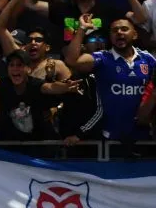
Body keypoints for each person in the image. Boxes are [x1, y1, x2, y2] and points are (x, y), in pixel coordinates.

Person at [65, 14, 156, 142]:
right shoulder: (102, 58)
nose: (119, 32)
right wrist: (82, 29)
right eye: (114, 30)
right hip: (111, 137)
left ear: (135, 34)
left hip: (144, 135)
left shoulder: (147, 59)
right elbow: (71, 60)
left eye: (124, 29)